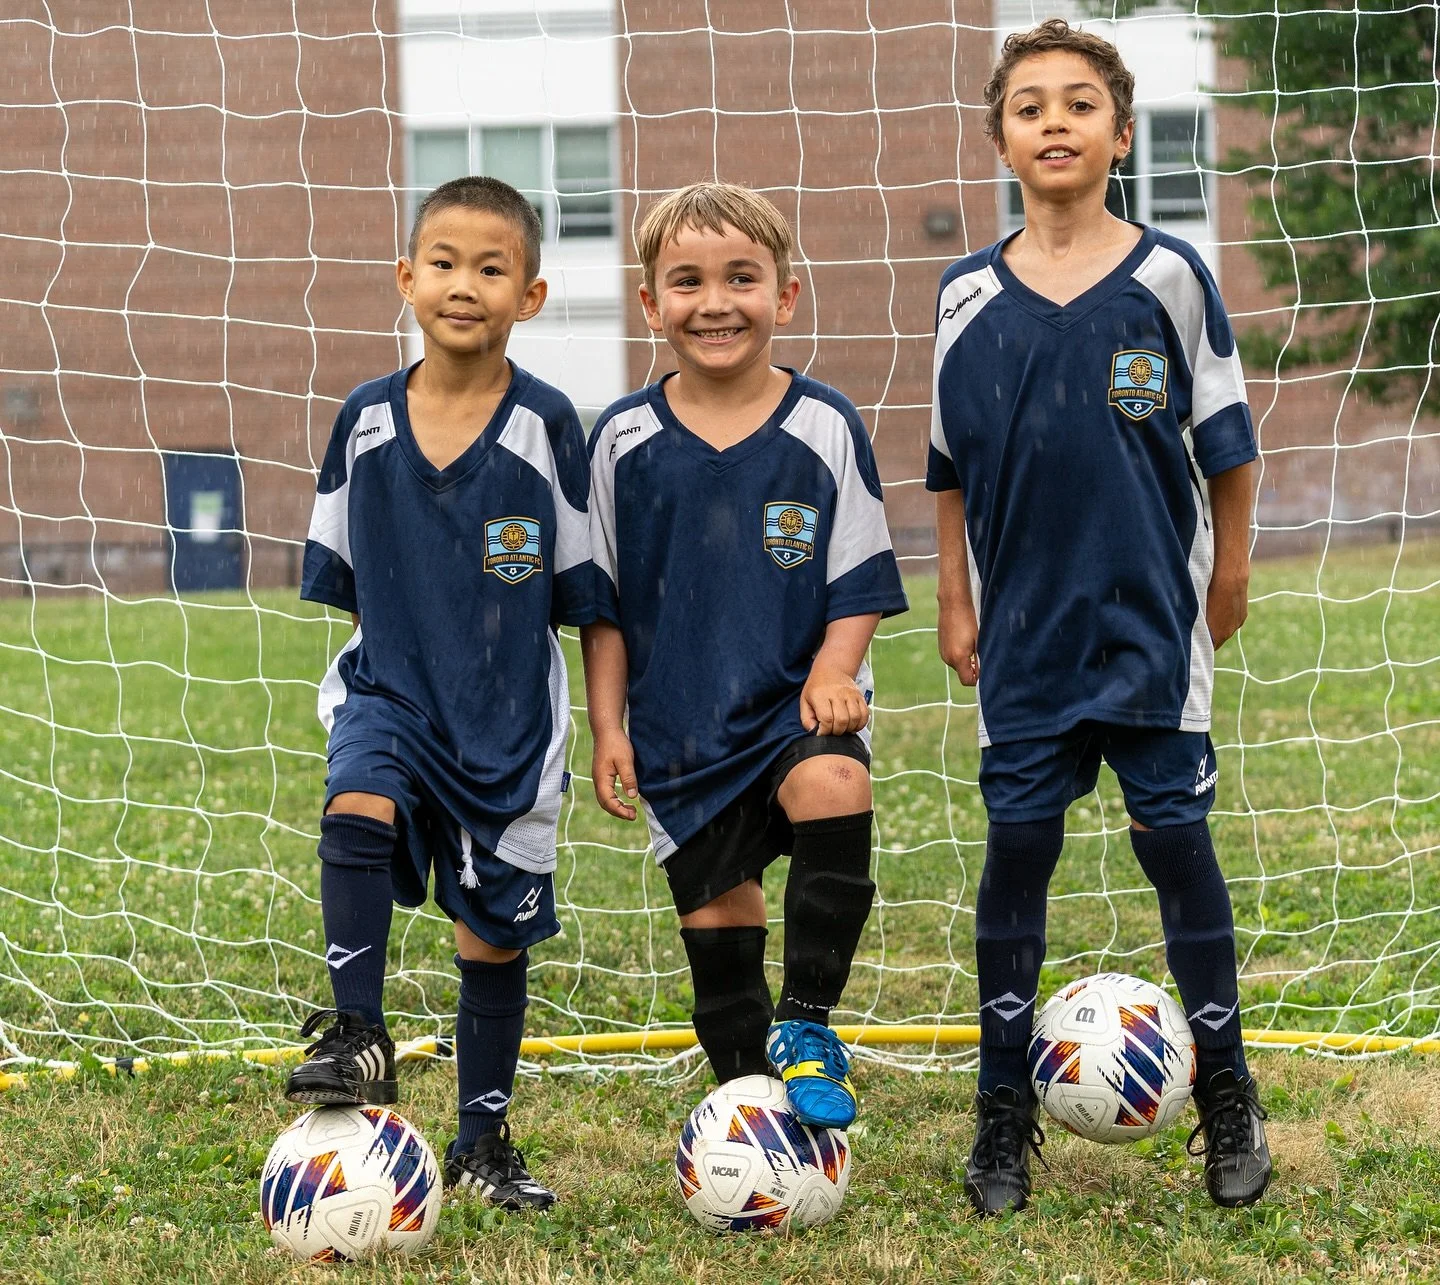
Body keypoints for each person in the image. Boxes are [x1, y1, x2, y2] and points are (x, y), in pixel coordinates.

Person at [927, 19, 1270, 1215]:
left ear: (1122, 134)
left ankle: (1226, 1091)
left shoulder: (1172, 275)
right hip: (1022, 639)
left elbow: (1227, 445)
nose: (1056, 121)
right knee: (1016, 858)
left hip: (1146, 627)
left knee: (1178, 848)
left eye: (1081, 104)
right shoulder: (963, 293)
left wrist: (1226, 577)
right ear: (1003, 139)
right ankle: (1000, 1116)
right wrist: (956, 595)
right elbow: (947, 468)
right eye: (1031, 106)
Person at [289, 175, 595, 1210]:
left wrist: (613, 728)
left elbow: (588, 595)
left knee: (491, 937)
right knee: (356, 802)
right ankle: (358, 1031)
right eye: (446, 263)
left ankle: (482, 1137)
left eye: (493, 267)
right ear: (407, 278)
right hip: (392, 694)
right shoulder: (365, 422)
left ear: (532, 294)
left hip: (508, 725)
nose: (467, 285)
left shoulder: (549, 425)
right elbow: (343, 582)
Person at [582, 182, 909, 1129]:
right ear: (650, 303)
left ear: (786, 295)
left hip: (793, 709)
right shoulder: (622, 442)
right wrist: (609, 726)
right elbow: (601, 610)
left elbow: (858, 579)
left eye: (742, 278)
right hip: (681, 730)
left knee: (834, 789)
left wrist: (834, 669)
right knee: (722, 939)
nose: (715, 301)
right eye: (686, 281)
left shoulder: (824, 426)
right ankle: (750, 1106)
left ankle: (808, 1024)